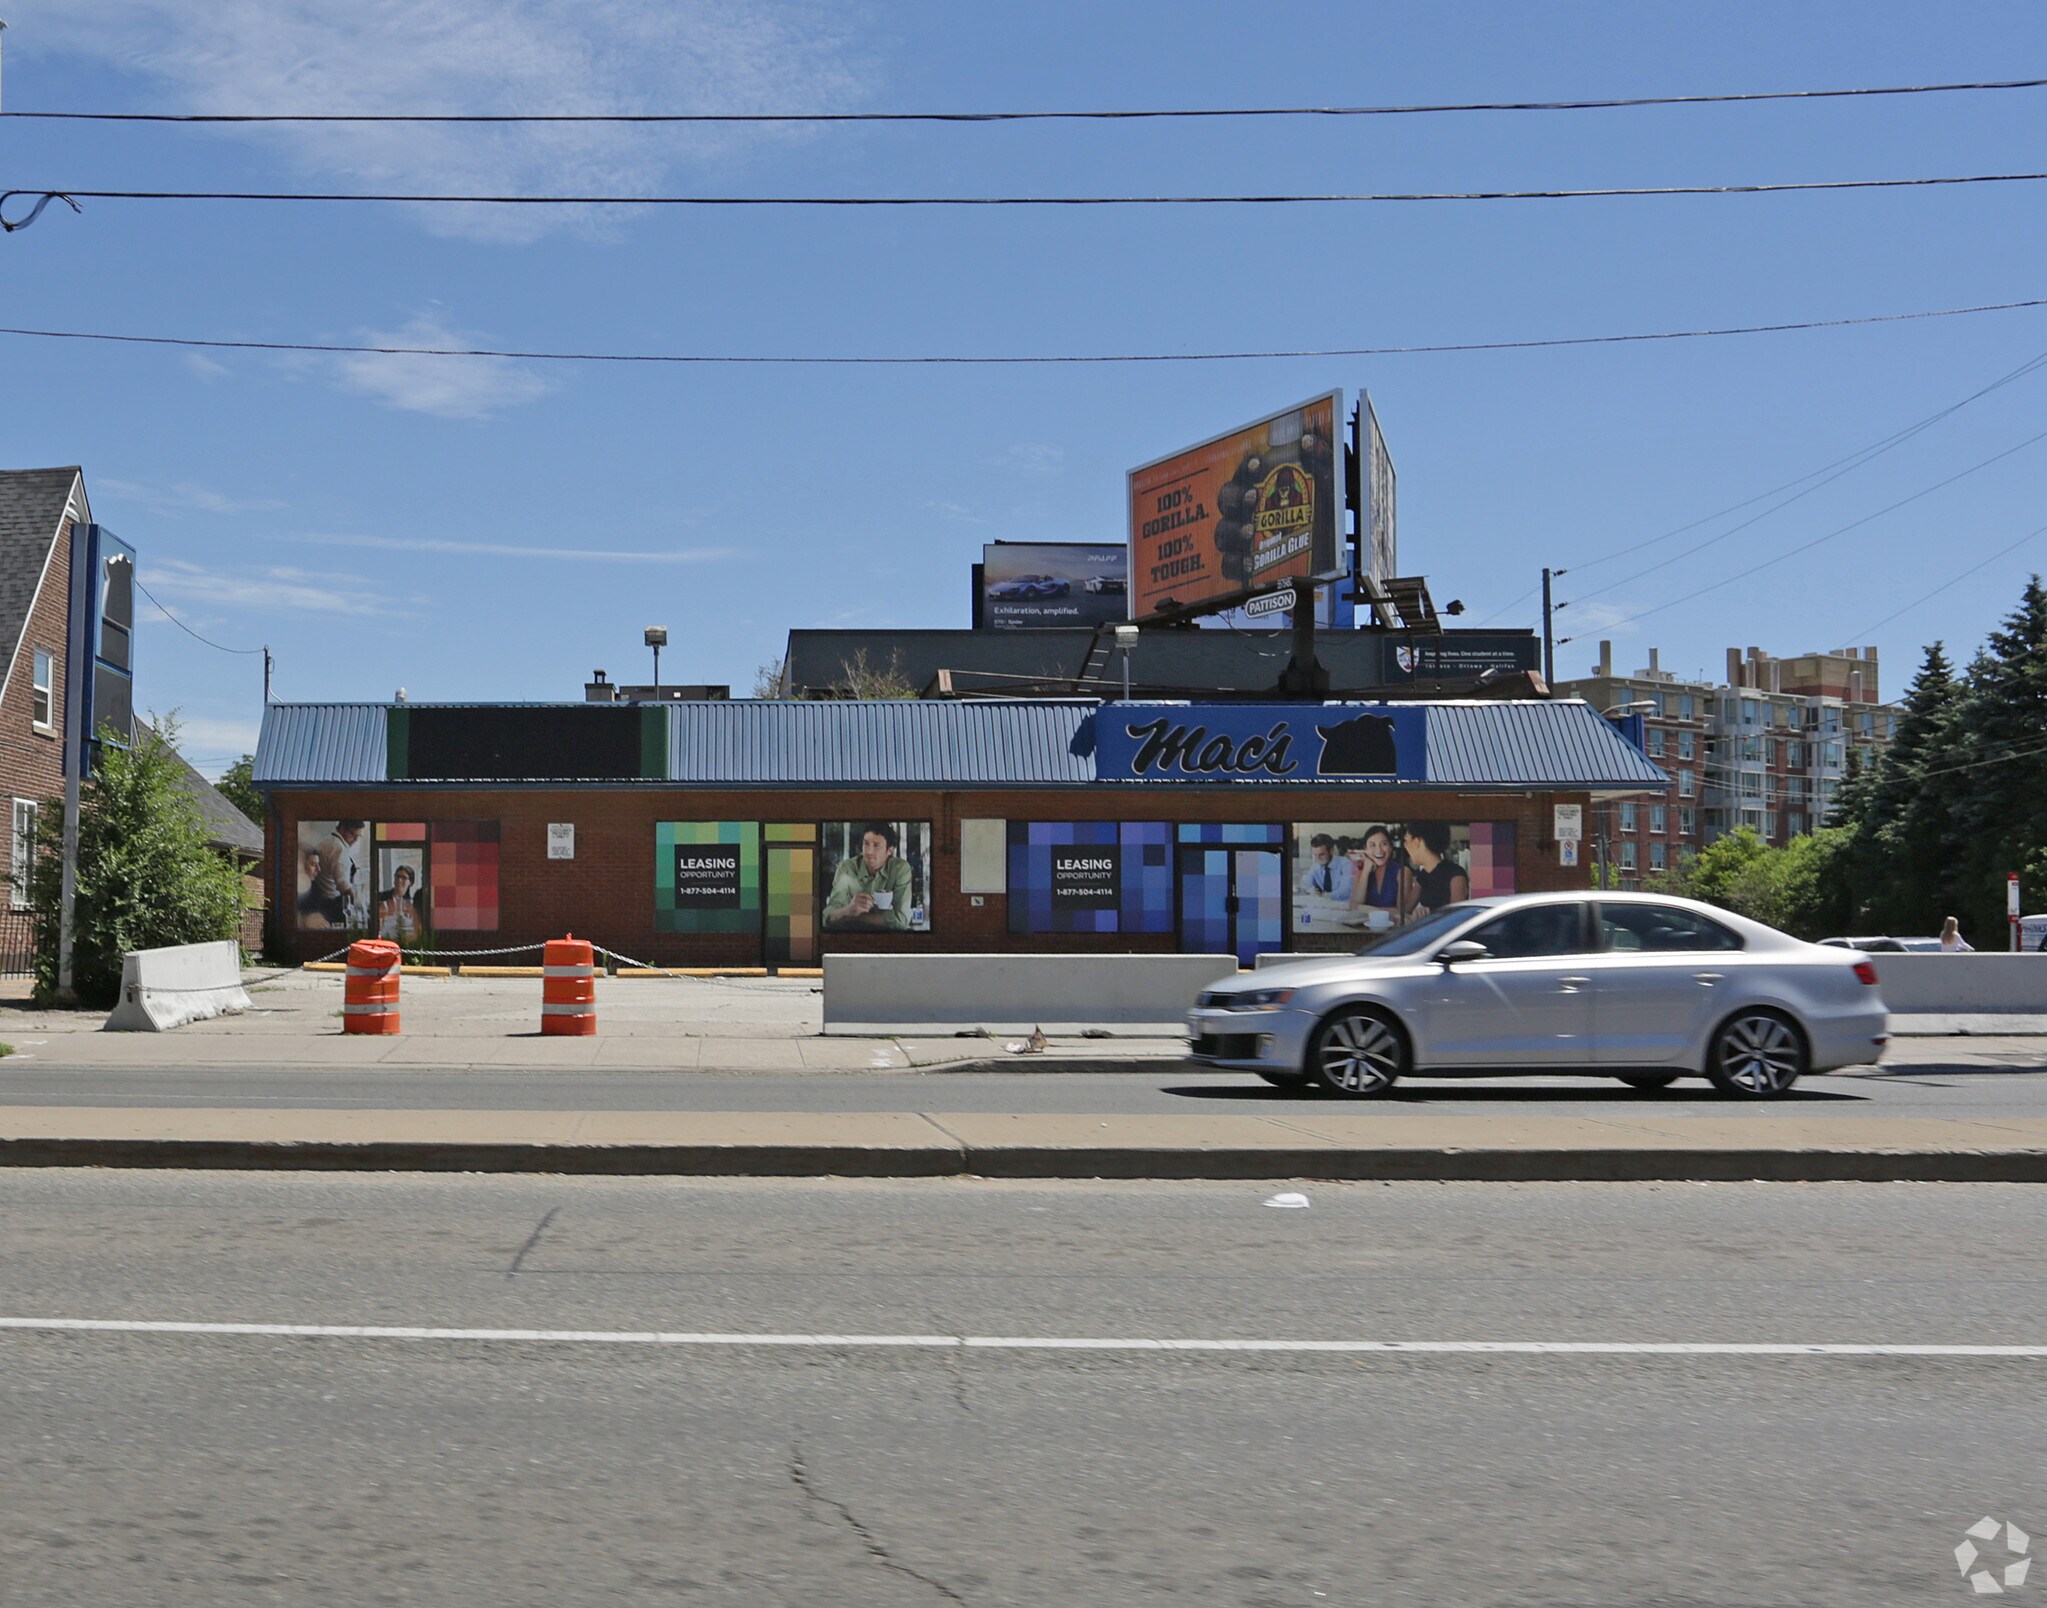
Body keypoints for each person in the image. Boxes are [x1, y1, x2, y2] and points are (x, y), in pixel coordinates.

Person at [822, 821, 915, 932]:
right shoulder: (847, 868)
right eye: (866, 844)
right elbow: (828, 916)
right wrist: (848, 910)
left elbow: (901, 921)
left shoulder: (900, 869)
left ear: (889, 850)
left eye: (876, 846)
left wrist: (853, 916)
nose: (869, 851)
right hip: (850, 937)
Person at [1400, 821, 1469, 921]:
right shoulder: (1423, 875)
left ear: (1417, 842)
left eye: (1406, 841)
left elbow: (1456, 919)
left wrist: (1427, 917)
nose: (1405, 846)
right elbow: (1405, 910)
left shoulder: (1456, 875)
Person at [313, 821, 367, 927]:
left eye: (358, 837)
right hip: (332, 905)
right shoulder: (338, 848)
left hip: (320, 901)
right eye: (353, 835)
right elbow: (343, 885)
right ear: (342, 829)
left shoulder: (326, 841)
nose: (355, 840)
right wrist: (360, 904)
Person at [1347, 824, 1407, 919]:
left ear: (1391, 847)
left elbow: (1403, 911)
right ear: (1365, 849)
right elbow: (1354, 906)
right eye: (1372, 845)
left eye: (1384, 844)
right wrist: (1366, 871)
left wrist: (1367, 909)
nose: (1379, 850)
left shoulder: (1402, 871)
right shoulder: (1361, 871)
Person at [376, 863, 425, 945]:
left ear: (410, 882)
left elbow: (417, 928)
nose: (399, 880)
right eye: (397, 876)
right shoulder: (382, 897)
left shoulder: (412, 902)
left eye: (404, 878)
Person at [1297, 832, 1354, 901]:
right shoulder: (1316, 866)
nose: (1317, 858)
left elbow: (1345, 892)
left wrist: (1323, 897)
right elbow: (1306, 885)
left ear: (1331, 851)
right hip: (1326, 906)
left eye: (1321, 854)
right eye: (1315, 855)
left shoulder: (1346, 864)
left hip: (1344, 906)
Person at [294, 848, 329, 927]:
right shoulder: (291, 890)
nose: (318, 869)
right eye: (313, 864)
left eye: (318, 864)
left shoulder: (315, 888)